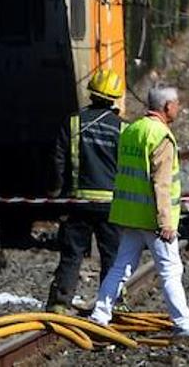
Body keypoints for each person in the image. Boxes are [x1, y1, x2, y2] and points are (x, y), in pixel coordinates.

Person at [88, 86, 189, 342]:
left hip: (129, 215)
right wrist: (166, 222)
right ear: (167, 106)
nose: (179, 108)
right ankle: (184, 324)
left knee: (121, 267)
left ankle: (99, 316)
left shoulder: (131, 130)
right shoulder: (161, 136)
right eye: (177, 103)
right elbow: (161, 184)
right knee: (171, 270)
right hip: (152, 218)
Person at [45, 68, 123, 313]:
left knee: (72, 254)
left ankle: (60, 302)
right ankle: (111, 304)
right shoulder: (123, 129)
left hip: (78, 202)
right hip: (111, 205)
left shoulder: (74, 122)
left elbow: (58, 158)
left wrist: (57, 191)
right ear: (115, 98)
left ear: (91, 94)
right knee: (112, 257)